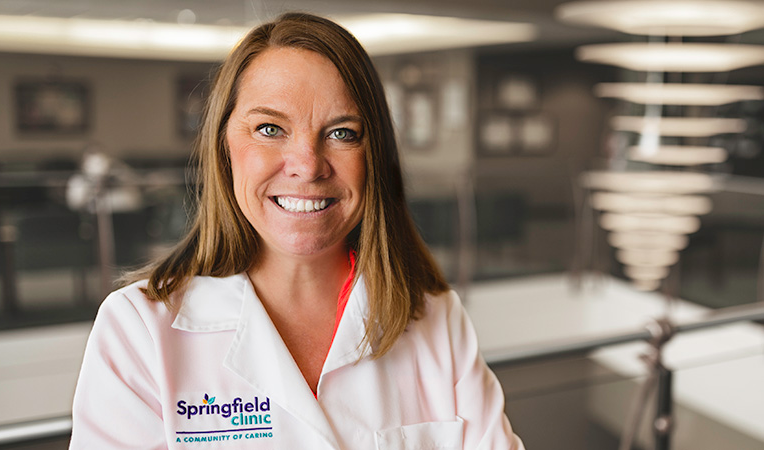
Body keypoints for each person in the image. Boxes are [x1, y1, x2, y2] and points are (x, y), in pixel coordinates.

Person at [70, 12, 524, 450]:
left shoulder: (437, 317)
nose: (307, 165)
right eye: (269, 128)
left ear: (375, 155)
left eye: (342, 133)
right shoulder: (138, 330)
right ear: (224, 147)